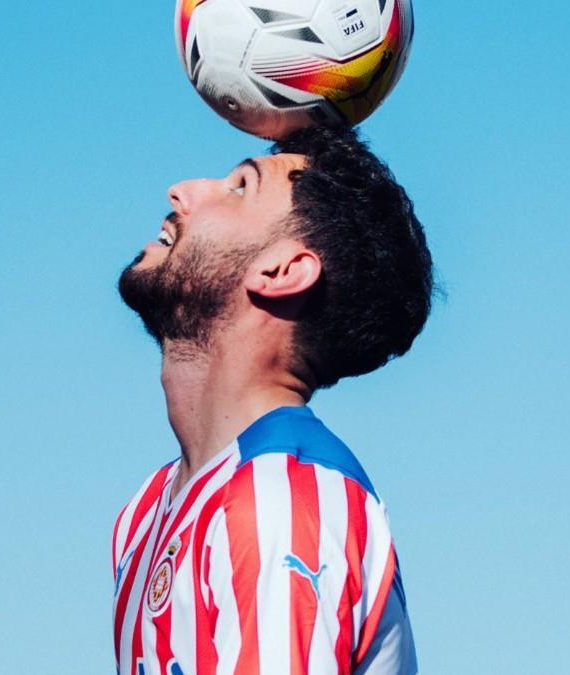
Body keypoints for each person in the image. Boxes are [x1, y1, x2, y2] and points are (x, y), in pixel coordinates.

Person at [111, 124, 433, 675]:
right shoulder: (146, 511)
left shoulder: (280, 502)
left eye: (239, 187)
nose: (182, 190)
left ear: (282, 272)